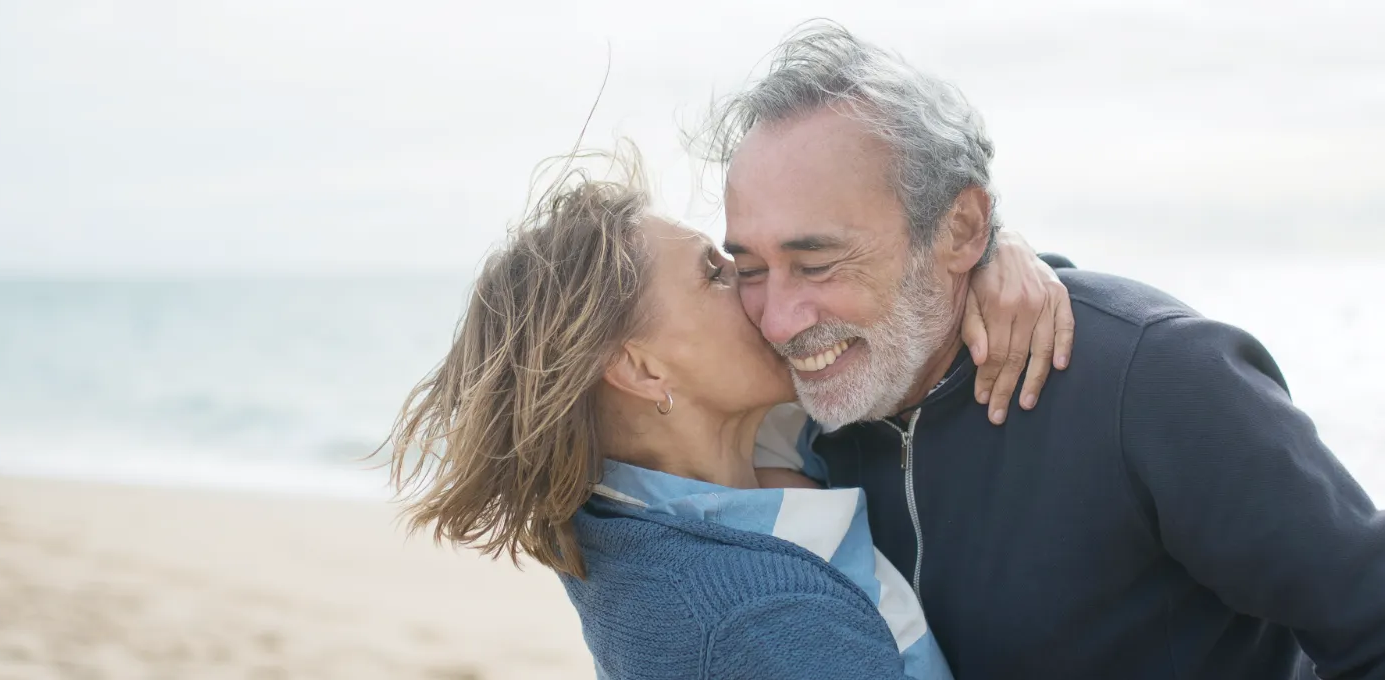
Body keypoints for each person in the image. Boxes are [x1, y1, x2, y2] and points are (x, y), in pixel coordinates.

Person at [693, 22, 1385, 679]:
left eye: (818, 261)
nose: (776, 317)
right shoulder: (795, 412)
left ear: (960, 228)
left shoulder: (1156, 380)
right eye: (750, 268)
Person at [378, 144, 1070, 679]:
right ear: (643, 369)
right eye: (715, 272)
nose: (756, 284)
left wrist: (993, 254)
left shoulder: (642, 497)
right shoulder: (760, 622)